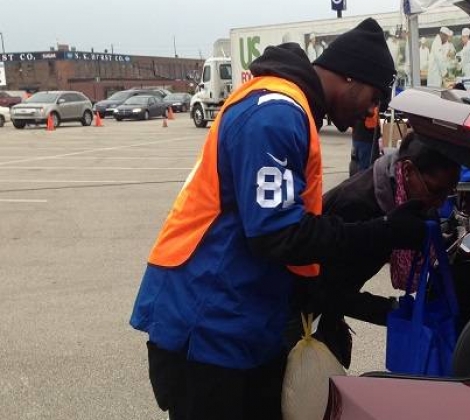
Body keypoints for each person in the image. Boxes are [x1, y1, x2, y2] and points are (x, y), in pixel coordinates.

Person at [129, 18, 430, 420]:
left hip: (242, 317)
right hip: (206, 322)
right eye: (373, 97)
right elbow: (279, 234)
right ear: (351, 79)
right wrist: (383, 233)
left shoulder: (292, 110)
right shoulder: (275, 115)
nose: (372, 110)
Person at [307, 132, 460, 365]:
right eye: (436, 191)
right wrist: (391, 310)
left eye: (449, 193)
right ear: (407, 171)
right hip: (300, 310)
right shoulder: (357, 205)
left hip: (328, 303)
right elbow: (323, 290)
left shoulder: (406, 195)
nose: (440, 203)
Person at [349, 105, 381, 176]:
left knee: (357, 163)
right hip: (366, 139)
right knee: (364, 168)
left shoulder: (357, 103)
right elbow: (373, 123)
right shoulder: (369, 105)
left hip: (357, 137)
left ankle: (356, 181)